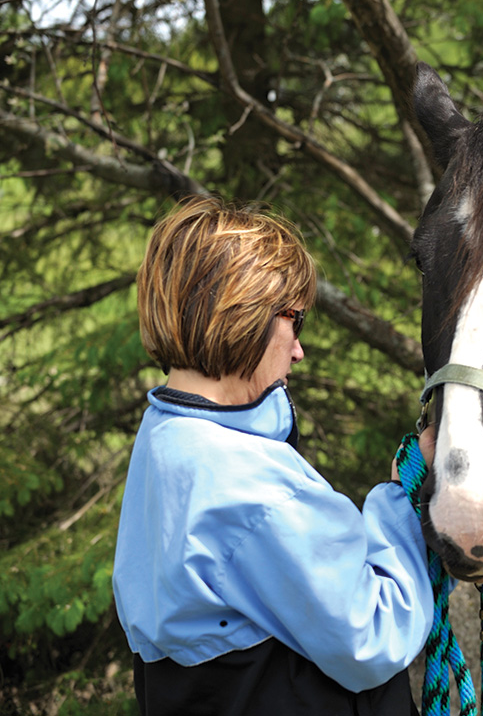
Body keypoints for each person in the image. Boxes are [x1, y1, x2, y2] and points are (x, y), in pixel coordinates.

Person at [113, 196, 434, 715]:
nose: (298, 349)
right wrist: (400, 499)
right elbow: (374, 636)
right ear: (245, 313)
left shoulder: (164, 437)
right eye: (295, 321)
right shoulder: (247, 483)